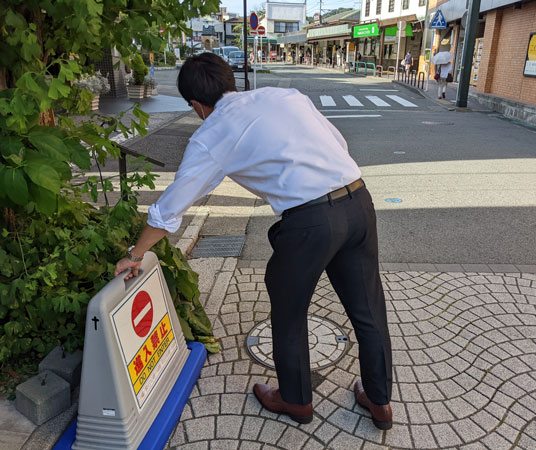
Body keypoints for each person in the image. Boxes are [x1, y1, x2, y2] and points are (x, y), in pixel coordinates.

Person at [114, 52, 393, 431]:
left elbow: (171, 206)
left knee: (289, 310)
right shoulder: (286, 95)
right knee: (368, 309)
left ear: (196, 105)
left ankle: (295, 401)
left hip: (309, 221)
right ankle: (379, 402)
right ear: (230, 81)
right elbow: (337, 142)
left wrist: (137, 253)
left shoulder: (211, 134)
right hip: (358, 200)